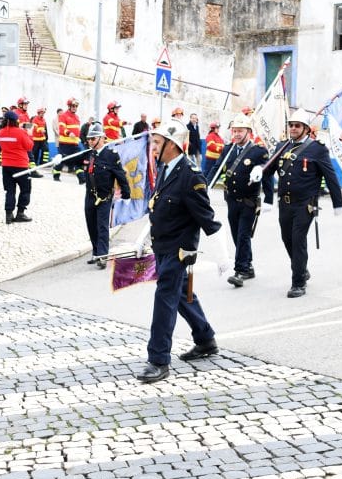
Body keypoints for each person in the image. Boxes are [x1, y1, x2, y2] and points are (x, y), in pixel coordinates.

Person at [132, 118, 221, 383]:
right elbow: (157, 207)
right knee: (182, 294)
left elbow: (208, 219)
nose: (153, 147)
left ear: (172, 144)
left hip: (179, 250)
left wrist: (224, 258)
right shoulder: (164, 169)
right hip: (162, 245)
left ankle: (158, 360)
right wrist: (143, 239)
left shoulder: (191, 175)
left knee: (165, 301)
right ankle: (206, 339)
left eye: (158, 142)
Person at [254, 109, 342, 298]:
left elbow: (331, 176)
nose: (293, 129)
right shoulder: (282, 146)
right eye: (291, 125)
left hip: (305, 204)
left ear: (306, 129)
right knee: (287, 239)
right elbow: (269, 170)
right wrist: (259, 171)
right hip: (285, 203)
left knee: (297, 239)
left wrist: (338, 204)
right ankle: (301, 268)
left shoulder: (317, 149)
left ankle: (298, 282)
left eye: (297, 126)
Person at [217, 115, 268, 287]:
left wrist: (269, 199)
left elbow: (267, 173)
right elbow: (216, 168)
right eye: (234, 131)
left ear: (249, 132)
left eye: (240, 131)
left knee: (243, 235)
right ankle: (248, 264)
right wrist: (204, 184)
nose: (237, 134)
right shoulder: (228, 150)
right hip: (231, 200)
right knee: (235, 234)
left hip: (249, 201)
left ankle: (241, 270)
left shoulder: (258, 151)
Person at [78, 123, 130, 268]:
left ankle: (102, 255)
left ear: (102, 139)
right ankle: (96, 252)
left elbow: (120, 175)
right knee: (91, 225)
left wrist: (126, 193)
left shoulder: (111, 155)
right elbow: (72, 161)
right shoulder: (88, 154)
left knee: (102, 227)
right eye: (89, 139)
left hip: (104, 197)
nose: (90, 141)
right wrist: (59, 161)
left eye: (93, 139)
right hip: (90, 196)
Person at [0, 110, 34, 224]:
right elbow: (29, 146)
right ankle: (20, 213)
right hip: (21, 166)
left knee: (10, 190)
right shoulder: (21, 132)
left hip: (6, 165)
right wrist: (29, 133)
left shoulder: (1, 132)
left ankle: (9, 215)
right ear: (16, 121)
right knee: (25, 189)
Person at [53, 98, 82, 182]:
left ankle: (82, 178)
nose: (75, 107)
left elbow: (77, 130)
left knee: (79, 160)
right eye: (73, 106)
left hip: (75, 144)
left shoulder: (77, 117)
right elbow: (61, 129)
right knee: (62, 160)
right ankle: (56, 175)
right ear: (69, 106)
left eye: (76, 106)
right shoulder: (63, 116)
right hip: (65, 144)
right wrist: (69, 133)